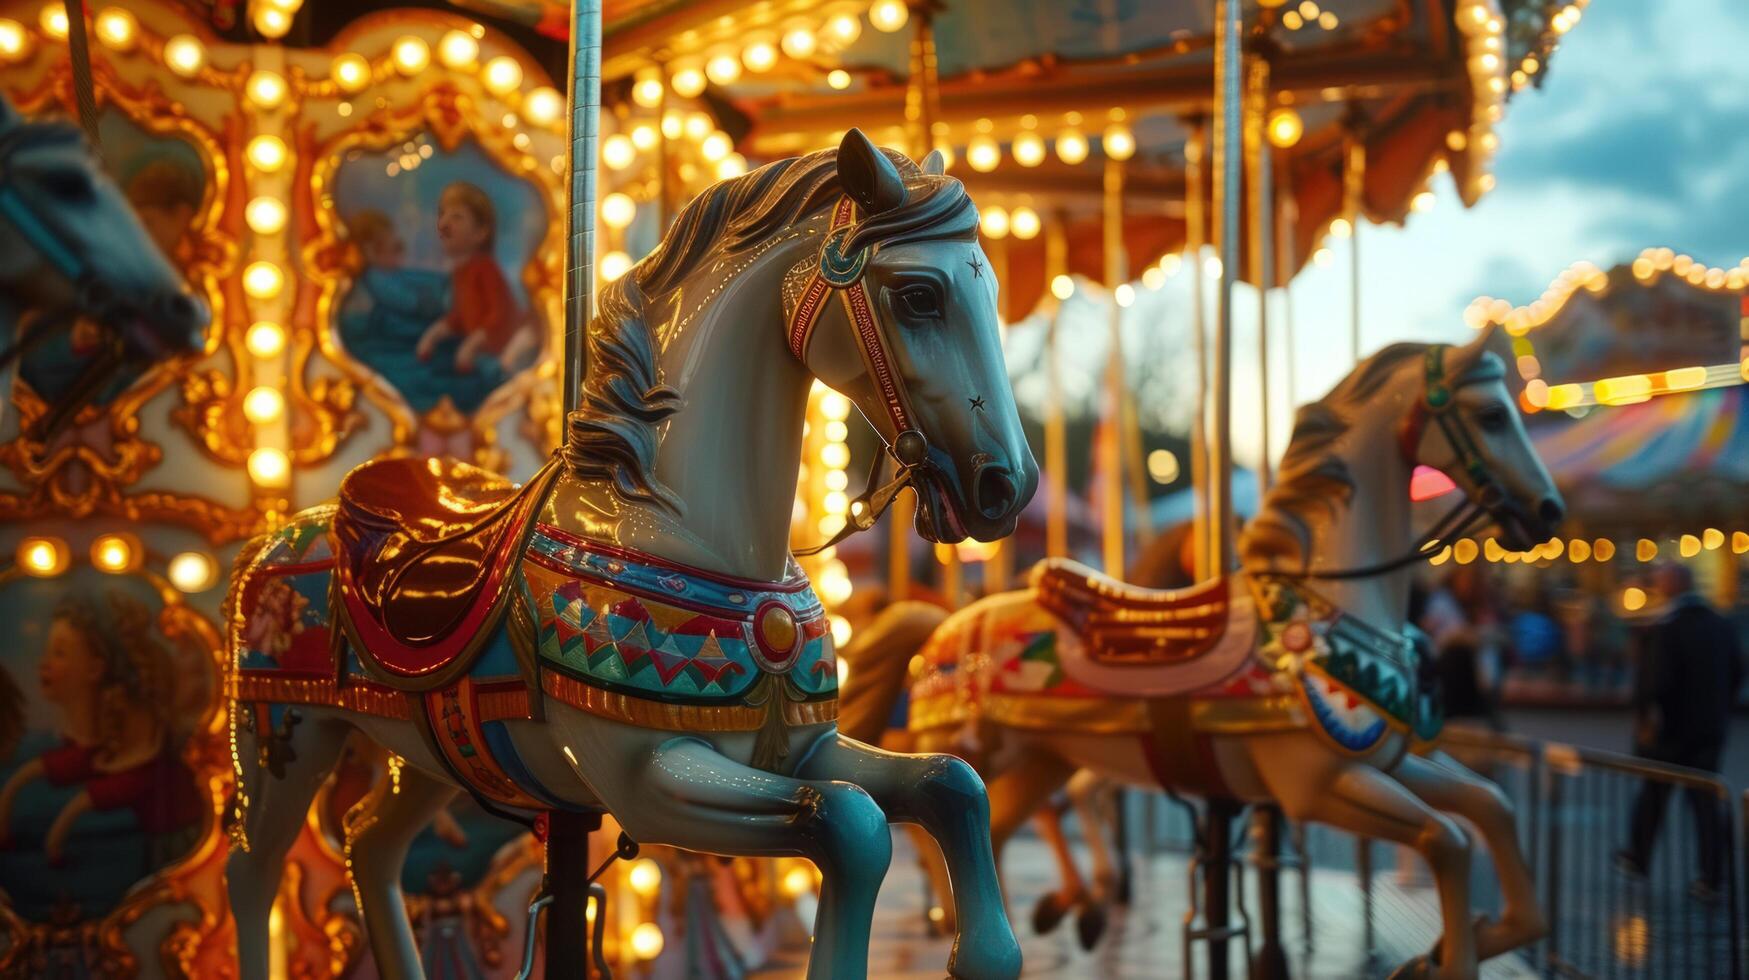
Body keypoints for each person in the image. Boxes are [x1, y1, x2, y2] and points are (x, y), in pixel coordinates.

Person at [1616, 562, 1743, 899]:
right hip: (1709, 728)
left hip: (1671, 734)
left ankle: (1638, 856)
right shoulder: (1720, 624)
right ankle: (1711, 875)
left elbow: (1659, 682)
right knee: (1704, 801)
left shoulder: (1667, 628)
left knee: (1655, 795)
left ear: (1672, 584)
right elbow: (1737, 672)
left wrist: (1646, 716)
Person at [415, 182, 536, 375]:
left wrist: (470, 346)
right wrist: (431, 337)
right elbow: (460, 316)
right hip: (486, 347)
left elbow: (498, 316)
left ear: (481, 232)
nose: (443, 223)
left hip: (508, 345)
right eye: (443, 214)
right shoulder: (461, 271)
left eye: (456, 216)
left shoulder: (485, 268)